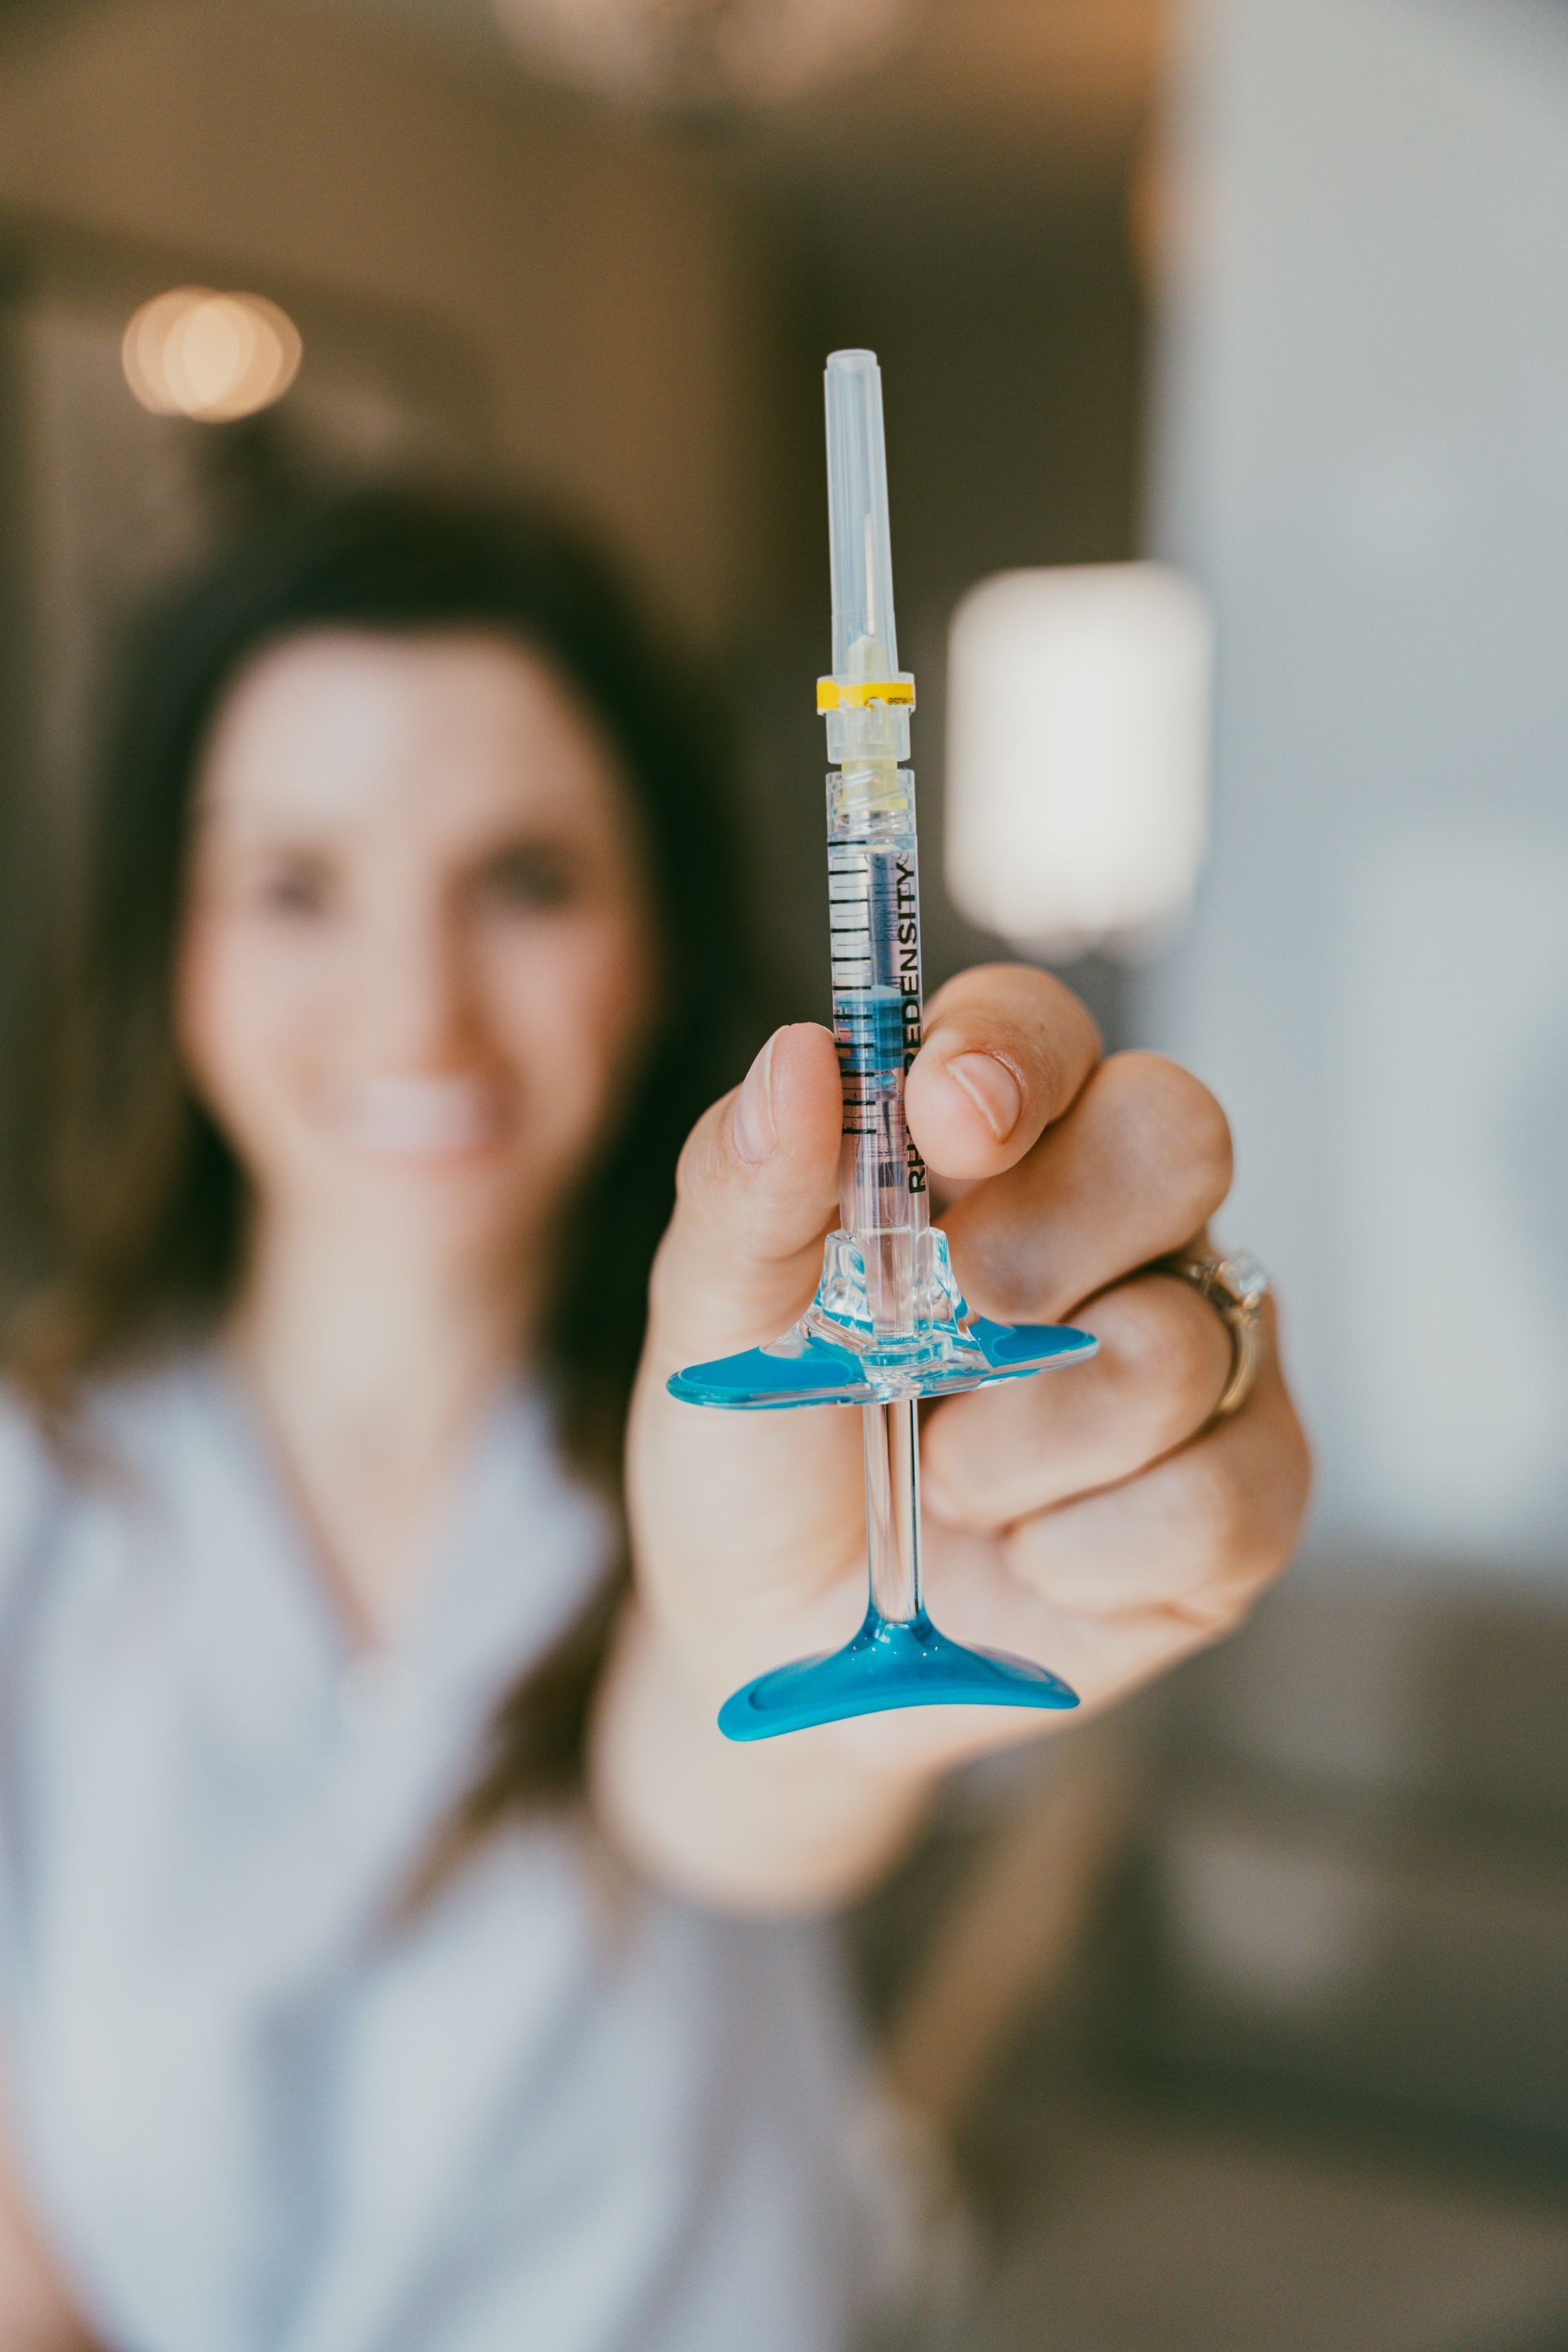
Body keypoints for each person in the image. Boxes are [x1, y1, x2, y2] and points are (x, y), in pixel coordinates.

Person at [0, 491, 1310, 2352]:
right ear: (169, 941)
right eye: (296, 884)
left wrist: (804, 1661)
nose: (414, 1006)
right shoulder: (35, 1494)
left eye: (524, 879)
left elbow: (736, 1775)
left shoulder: (747, 1430)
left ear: (657, 926)